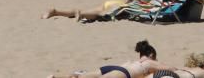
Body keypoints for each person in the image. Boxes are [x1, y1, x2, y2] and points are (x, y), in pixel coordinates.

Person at [47, 40, 189, 78]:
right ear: (151, 54)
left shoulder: (134, 61)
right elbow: (171, 70)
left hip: (114, 67)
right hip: (123, 74)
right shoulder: (150, 61)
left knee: (84, 76)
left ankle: (56, 76)